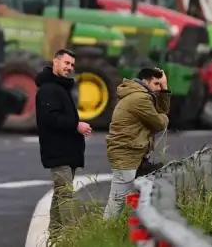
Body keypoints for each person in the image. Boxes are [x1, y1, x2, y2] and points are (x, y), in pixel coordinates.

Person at [36, 49, 91, 236]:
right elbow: (50, 118)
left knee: (61, 194)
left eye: (72, 65)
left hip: (67, 151)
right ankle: (70, 235)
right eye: (66, 63)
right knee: (66, 194)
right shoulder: (48, 90)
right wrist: (76, 125)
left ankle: (55, 234)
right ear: (55, 62)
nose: (69, 68)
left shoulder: (61, 87)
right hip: (57, 152)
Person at [103, 67, 171, 219]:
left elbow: (161, 110)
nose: (158, 89)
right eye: (156, 84)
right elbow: (159, 122)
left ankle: (114, 232)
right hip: (126, 153)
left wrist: (165, 88)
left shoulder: (140, 94)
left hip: (130, 152)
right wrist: (165, 119)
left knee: (125, 198)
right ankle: (103, 235)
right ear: (146, 81)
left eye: (160, 85)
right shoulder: (140, 99)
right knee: (117, 200)